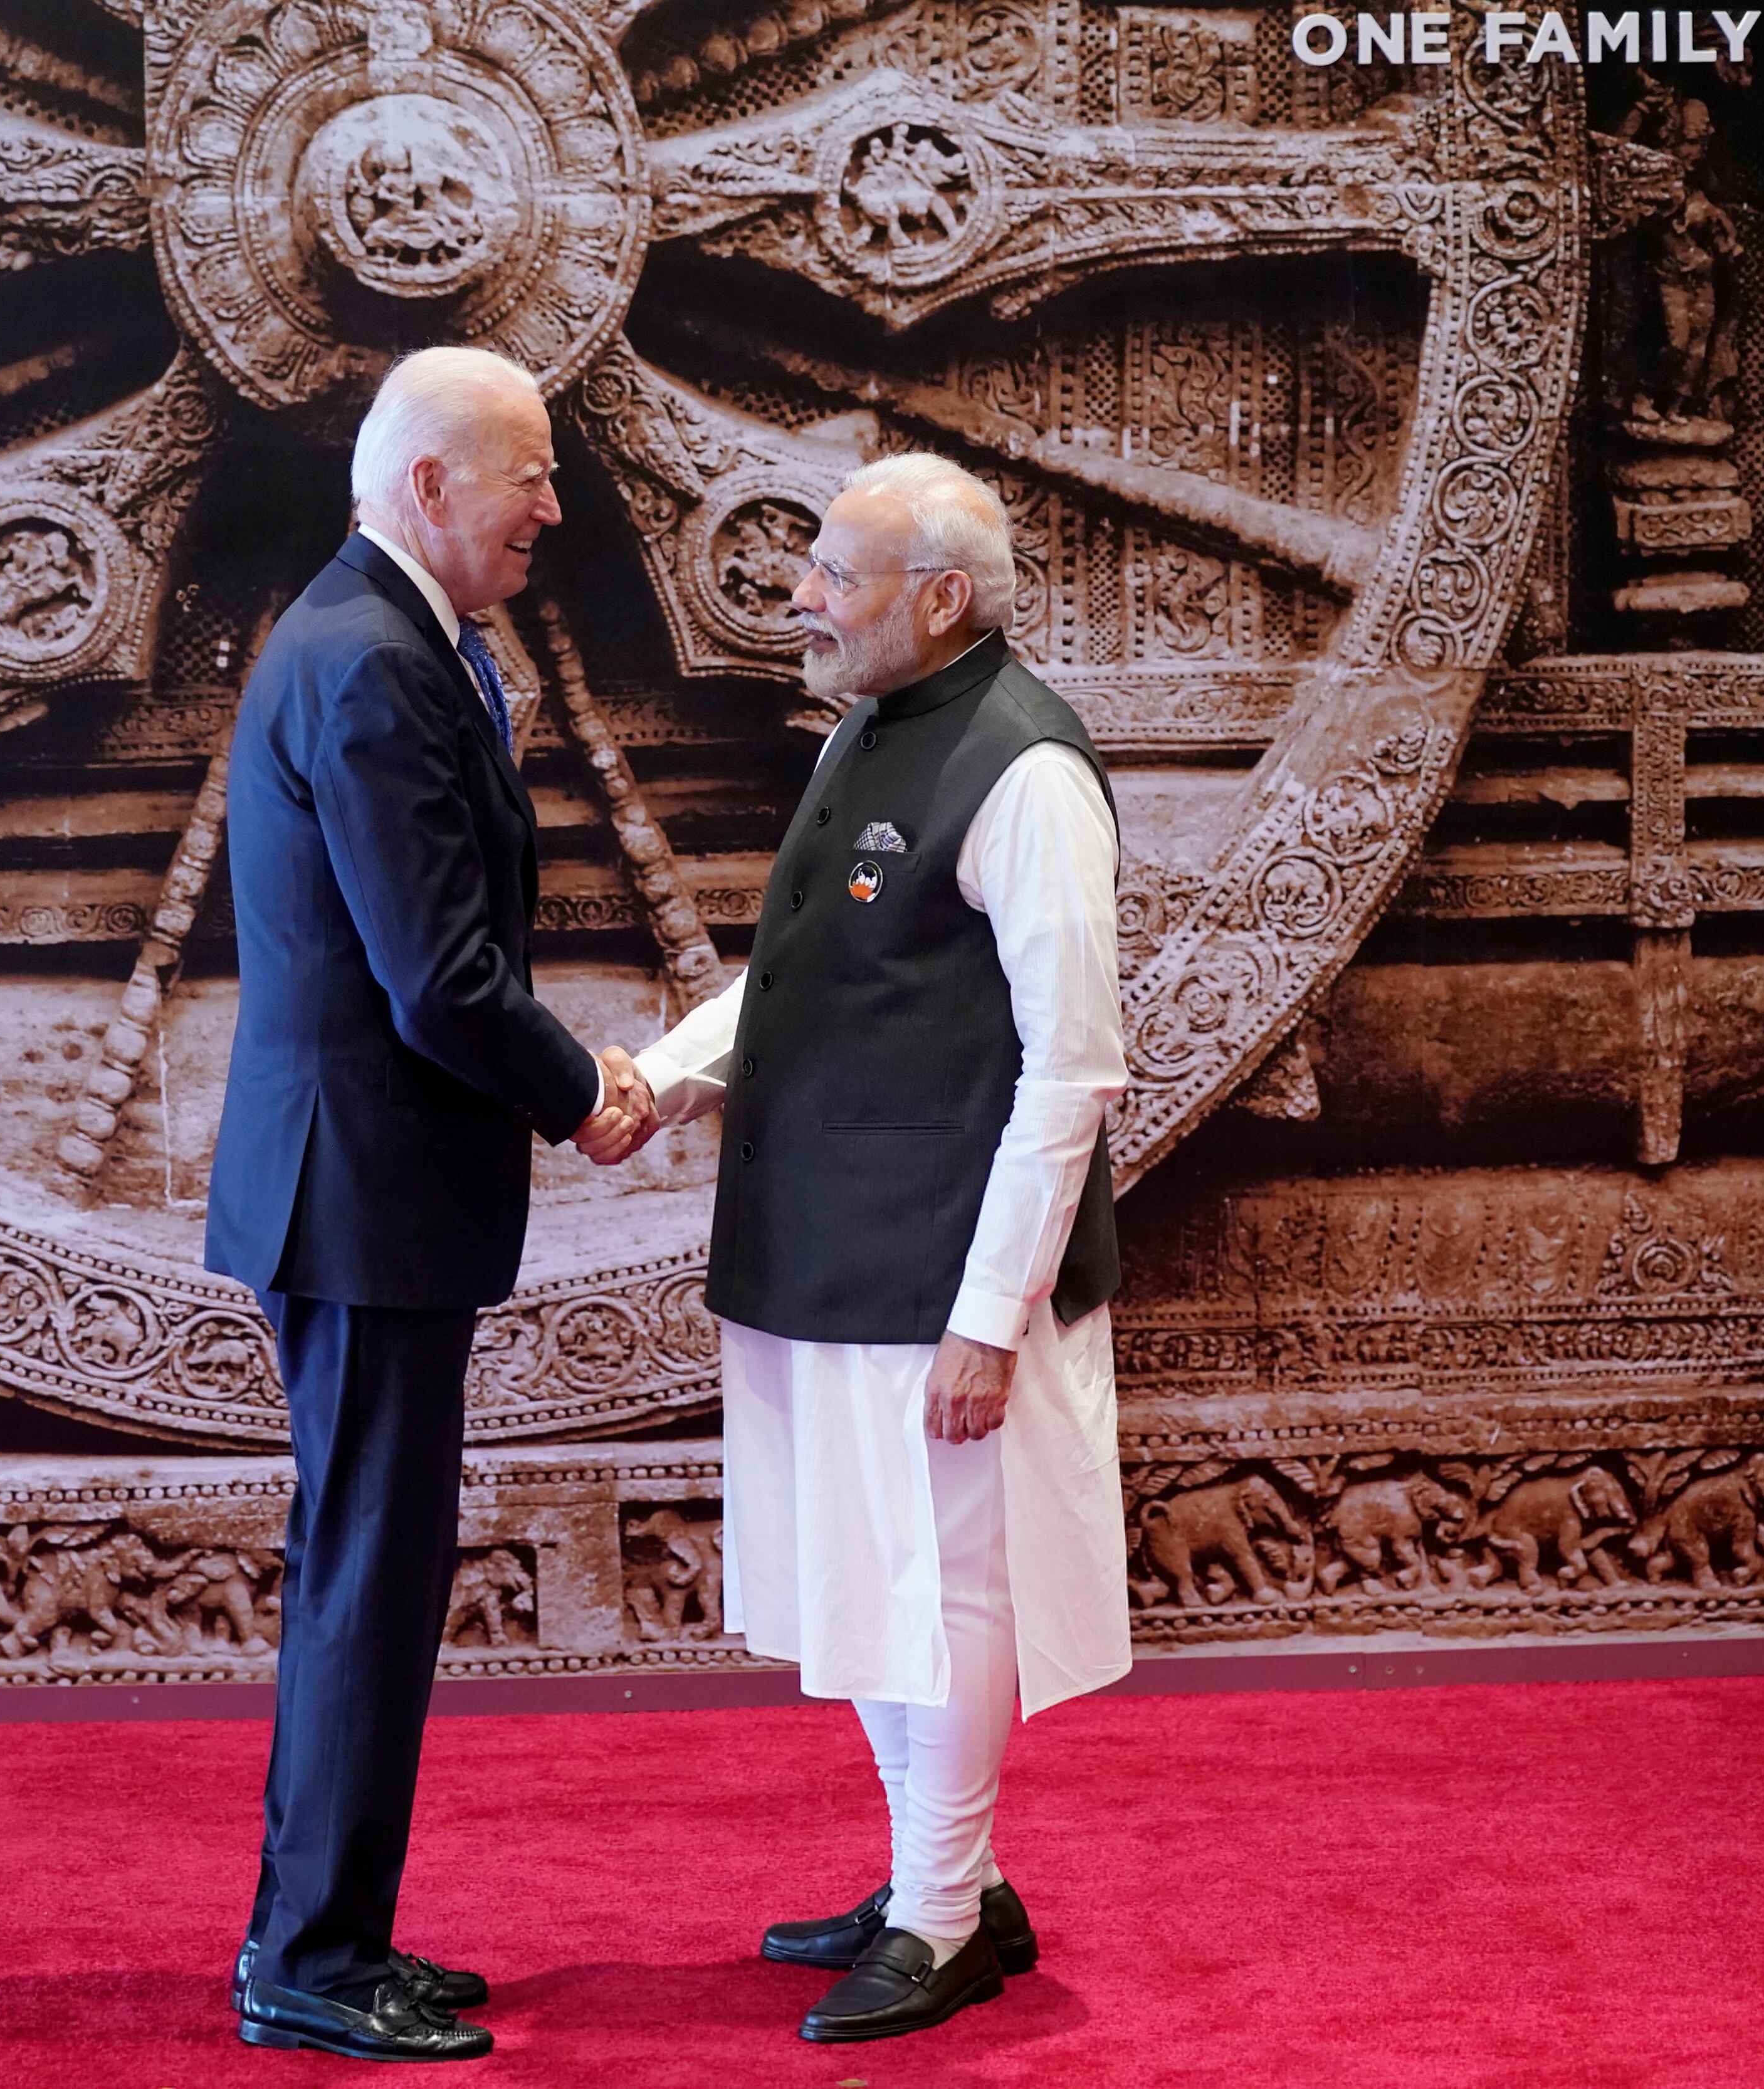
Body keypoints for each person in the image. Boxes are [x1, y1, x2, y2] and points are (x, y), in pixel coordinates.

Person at [597, 453, 1131, 2043]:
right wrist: (667, 1079)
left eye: (836, 575)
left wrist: (992, 1312)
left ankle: (948, 1915)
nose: (804, 601)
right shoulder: (870, 730)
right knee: (872, 1585)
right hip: (825, 1249)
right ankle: (931, 1877)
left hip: (934, 1271)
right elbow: (809, 980)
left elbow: (1075, 1063)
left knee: (944, 1585)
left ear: (939, 599)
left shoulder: (1026, 771)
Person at [204, 345, 656, 2063]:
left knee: (367, 1566)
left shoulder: (377, 640)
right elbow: (442, 981)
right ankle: (313, 1957)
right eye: (527, 473)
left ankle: (330, 1931)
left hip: (362, 1189)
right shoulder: (376, 661)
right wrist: (585, 1089)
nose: (554, 504)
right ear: (427, 489)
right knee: (368, 1574)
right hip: (365, 1196)